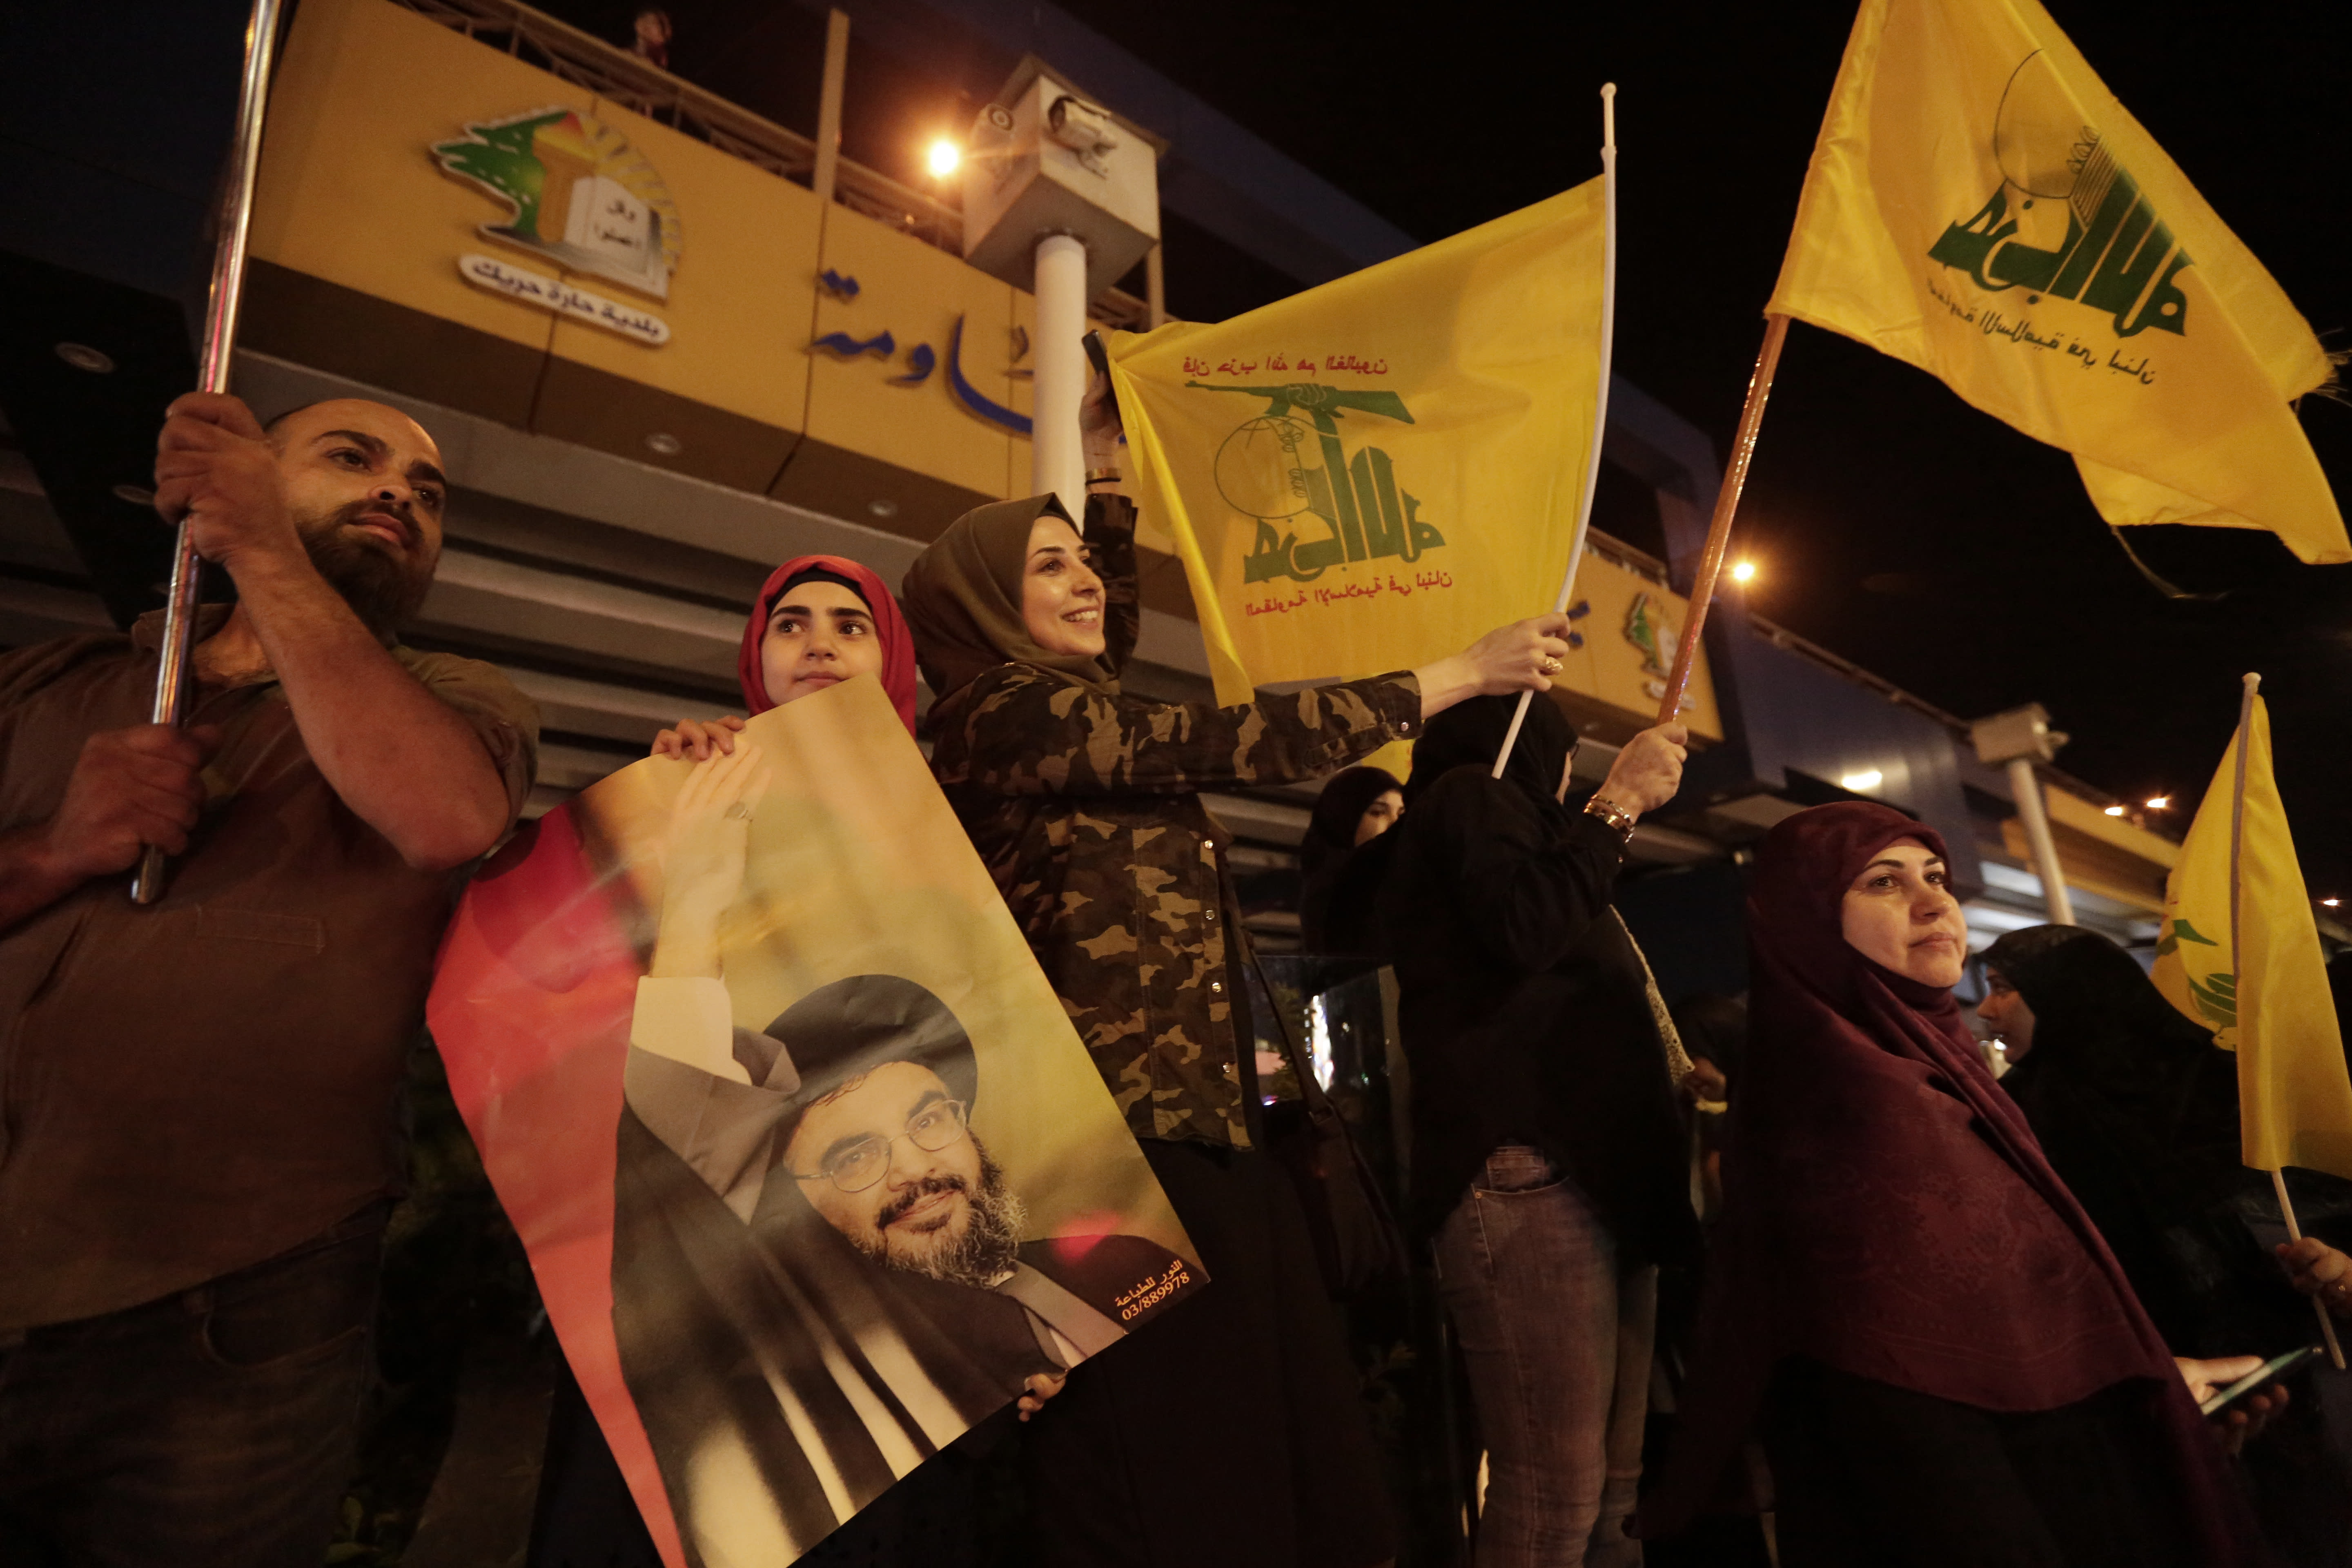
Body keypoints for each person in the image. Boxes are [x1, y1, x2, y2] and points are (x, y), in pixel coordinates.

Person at [899, 372, 1577, 1568]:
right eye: (1046, 563)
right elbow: (1218, 734)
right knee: (1170, 1465)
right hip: (1108, 1145)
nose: (1085, 581)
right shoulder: (993, 715)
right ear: (979, 599)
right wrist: (1451, 675)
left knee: (1290, 1448)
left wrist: (1109, 488)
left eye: (1084, 561)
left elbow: (1110, 650)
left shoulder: (1066, 705)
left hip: (1212, 1129)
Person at [0, 394, 540, 1567]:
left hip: (234, 1313)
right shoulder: (55, 684)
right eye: (352, 458)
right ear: (231, 473)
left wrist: (259, 545)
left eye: (427, 490)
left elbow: (445, 816)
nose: (399, 490)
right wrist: (53, 850)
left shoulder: (457, 704)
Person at [1641, 802, 2266, 1567]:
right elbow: (1916, 1403)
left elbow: (2013, 1320)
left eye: (1935, 876)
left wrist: (2148, 1386)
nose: (1935, 901)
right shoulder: (1855, 1102)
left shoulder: (1936, 1071)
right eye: (1882, 882)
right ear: (1807, 918)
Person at [1375, 693, 1695, 1566]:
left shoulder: (1501, 830)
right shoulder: (1470, 794)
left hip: (1594, 1174)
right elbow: (1528, 927)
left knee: (1613, 1496)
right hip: (1532, 1172)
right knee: (1556, 1495)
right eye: (1565, 754)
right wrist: (1617, 801)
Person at [1982, 924, 2352, 1564]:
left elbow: (2316, 1208)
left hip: (2309, 1396)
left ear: (2071, 993)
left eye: (2006, 989)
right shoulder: (2008, 1124)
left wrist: (2338, 1267)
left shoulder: (2210, 1091)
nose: (1986, 1009)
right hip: (2152, 1429)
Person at [1298, 763, 1403, 952]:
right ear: (1344, 818)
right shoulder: (1335, 893)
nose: (1396, 824)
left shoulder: (1407, 880)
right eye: (1378, 812)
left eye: (1402, 814)